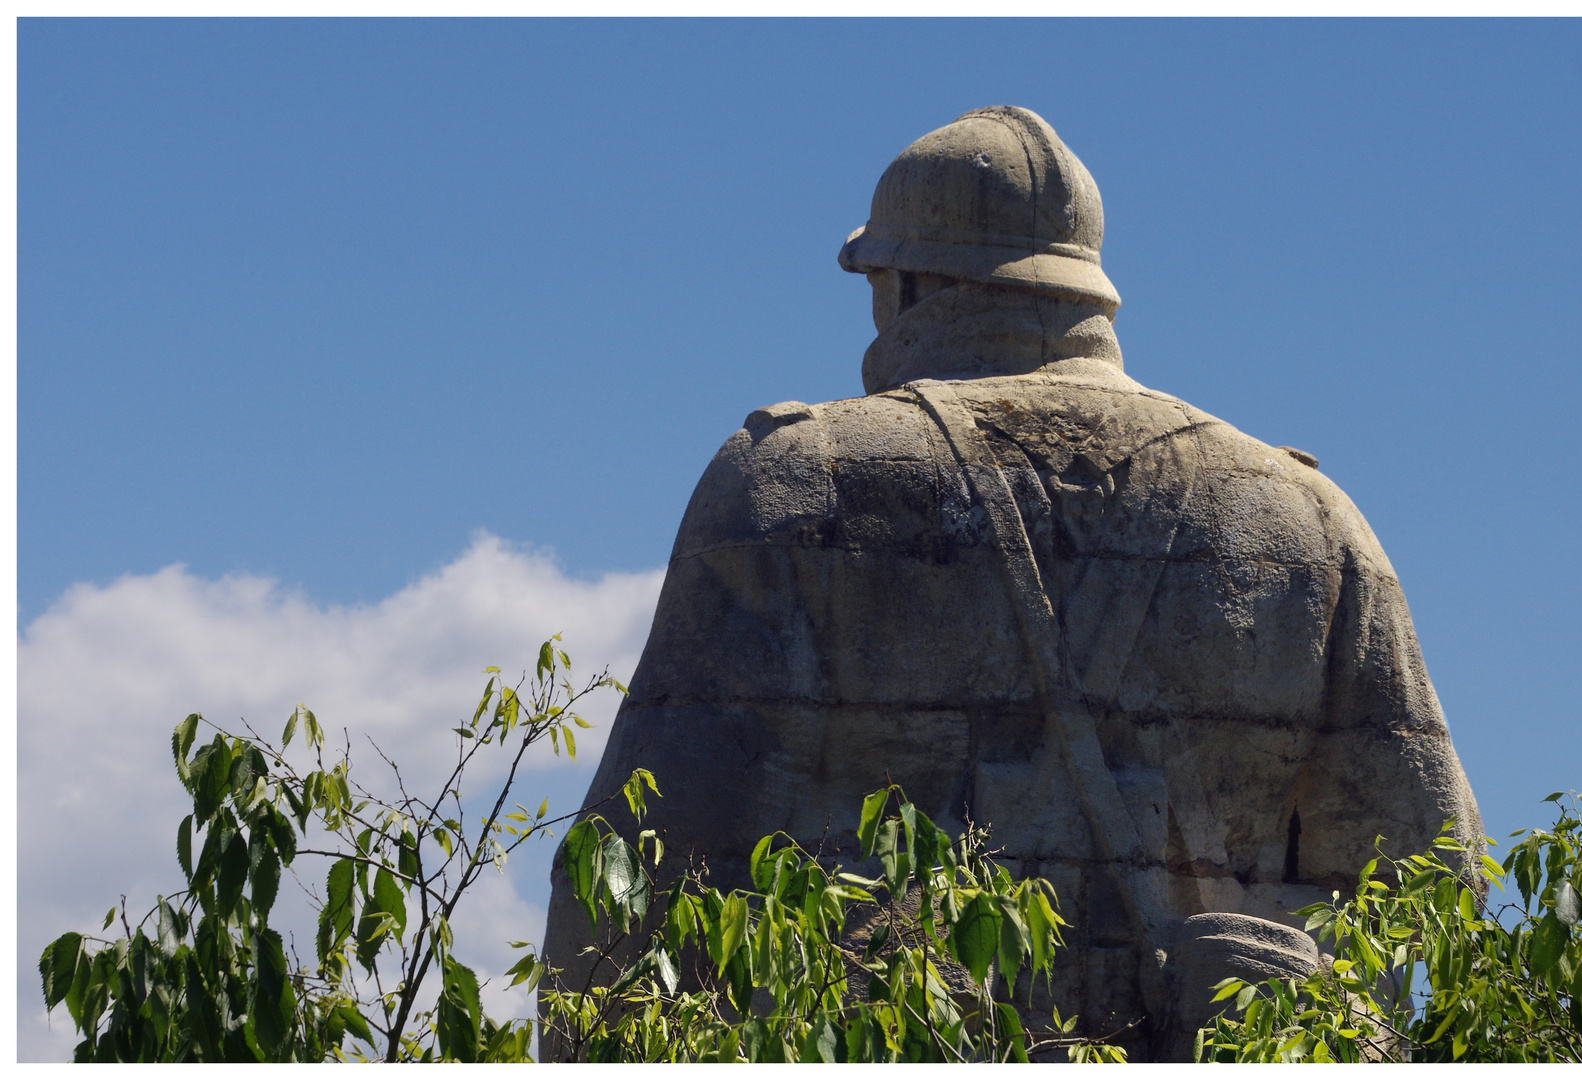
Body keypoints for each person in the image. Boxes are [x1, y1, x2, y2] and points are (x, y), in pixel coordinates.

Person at [542, 105, 1480, 1059]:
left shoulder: (798, 475)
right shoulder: (1306, 518)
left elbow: (633, 870)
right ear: (1090, 294)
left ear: (900, 284)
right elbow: (1439, 886)